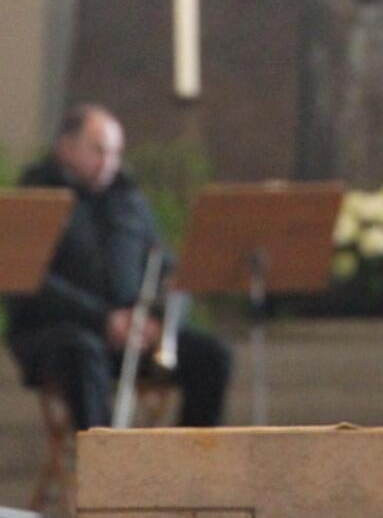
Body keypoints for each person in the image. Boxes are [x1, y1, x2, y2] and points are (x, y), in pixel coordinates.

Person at [6, 103, 232, 430]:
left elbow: (168, 269)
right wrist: (102, 320)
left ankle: (193, 466)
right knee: (83, 352)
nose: (108, 163)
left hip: (133, 334)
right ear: (66, 148)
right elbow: (31, 279)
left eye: (115, 152)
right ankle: (105, 462)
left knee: (212, 356)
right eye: (97, 150)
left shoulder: (130, 201)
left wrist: (159, 321)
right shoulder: (37, 195)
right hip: (58, 333)